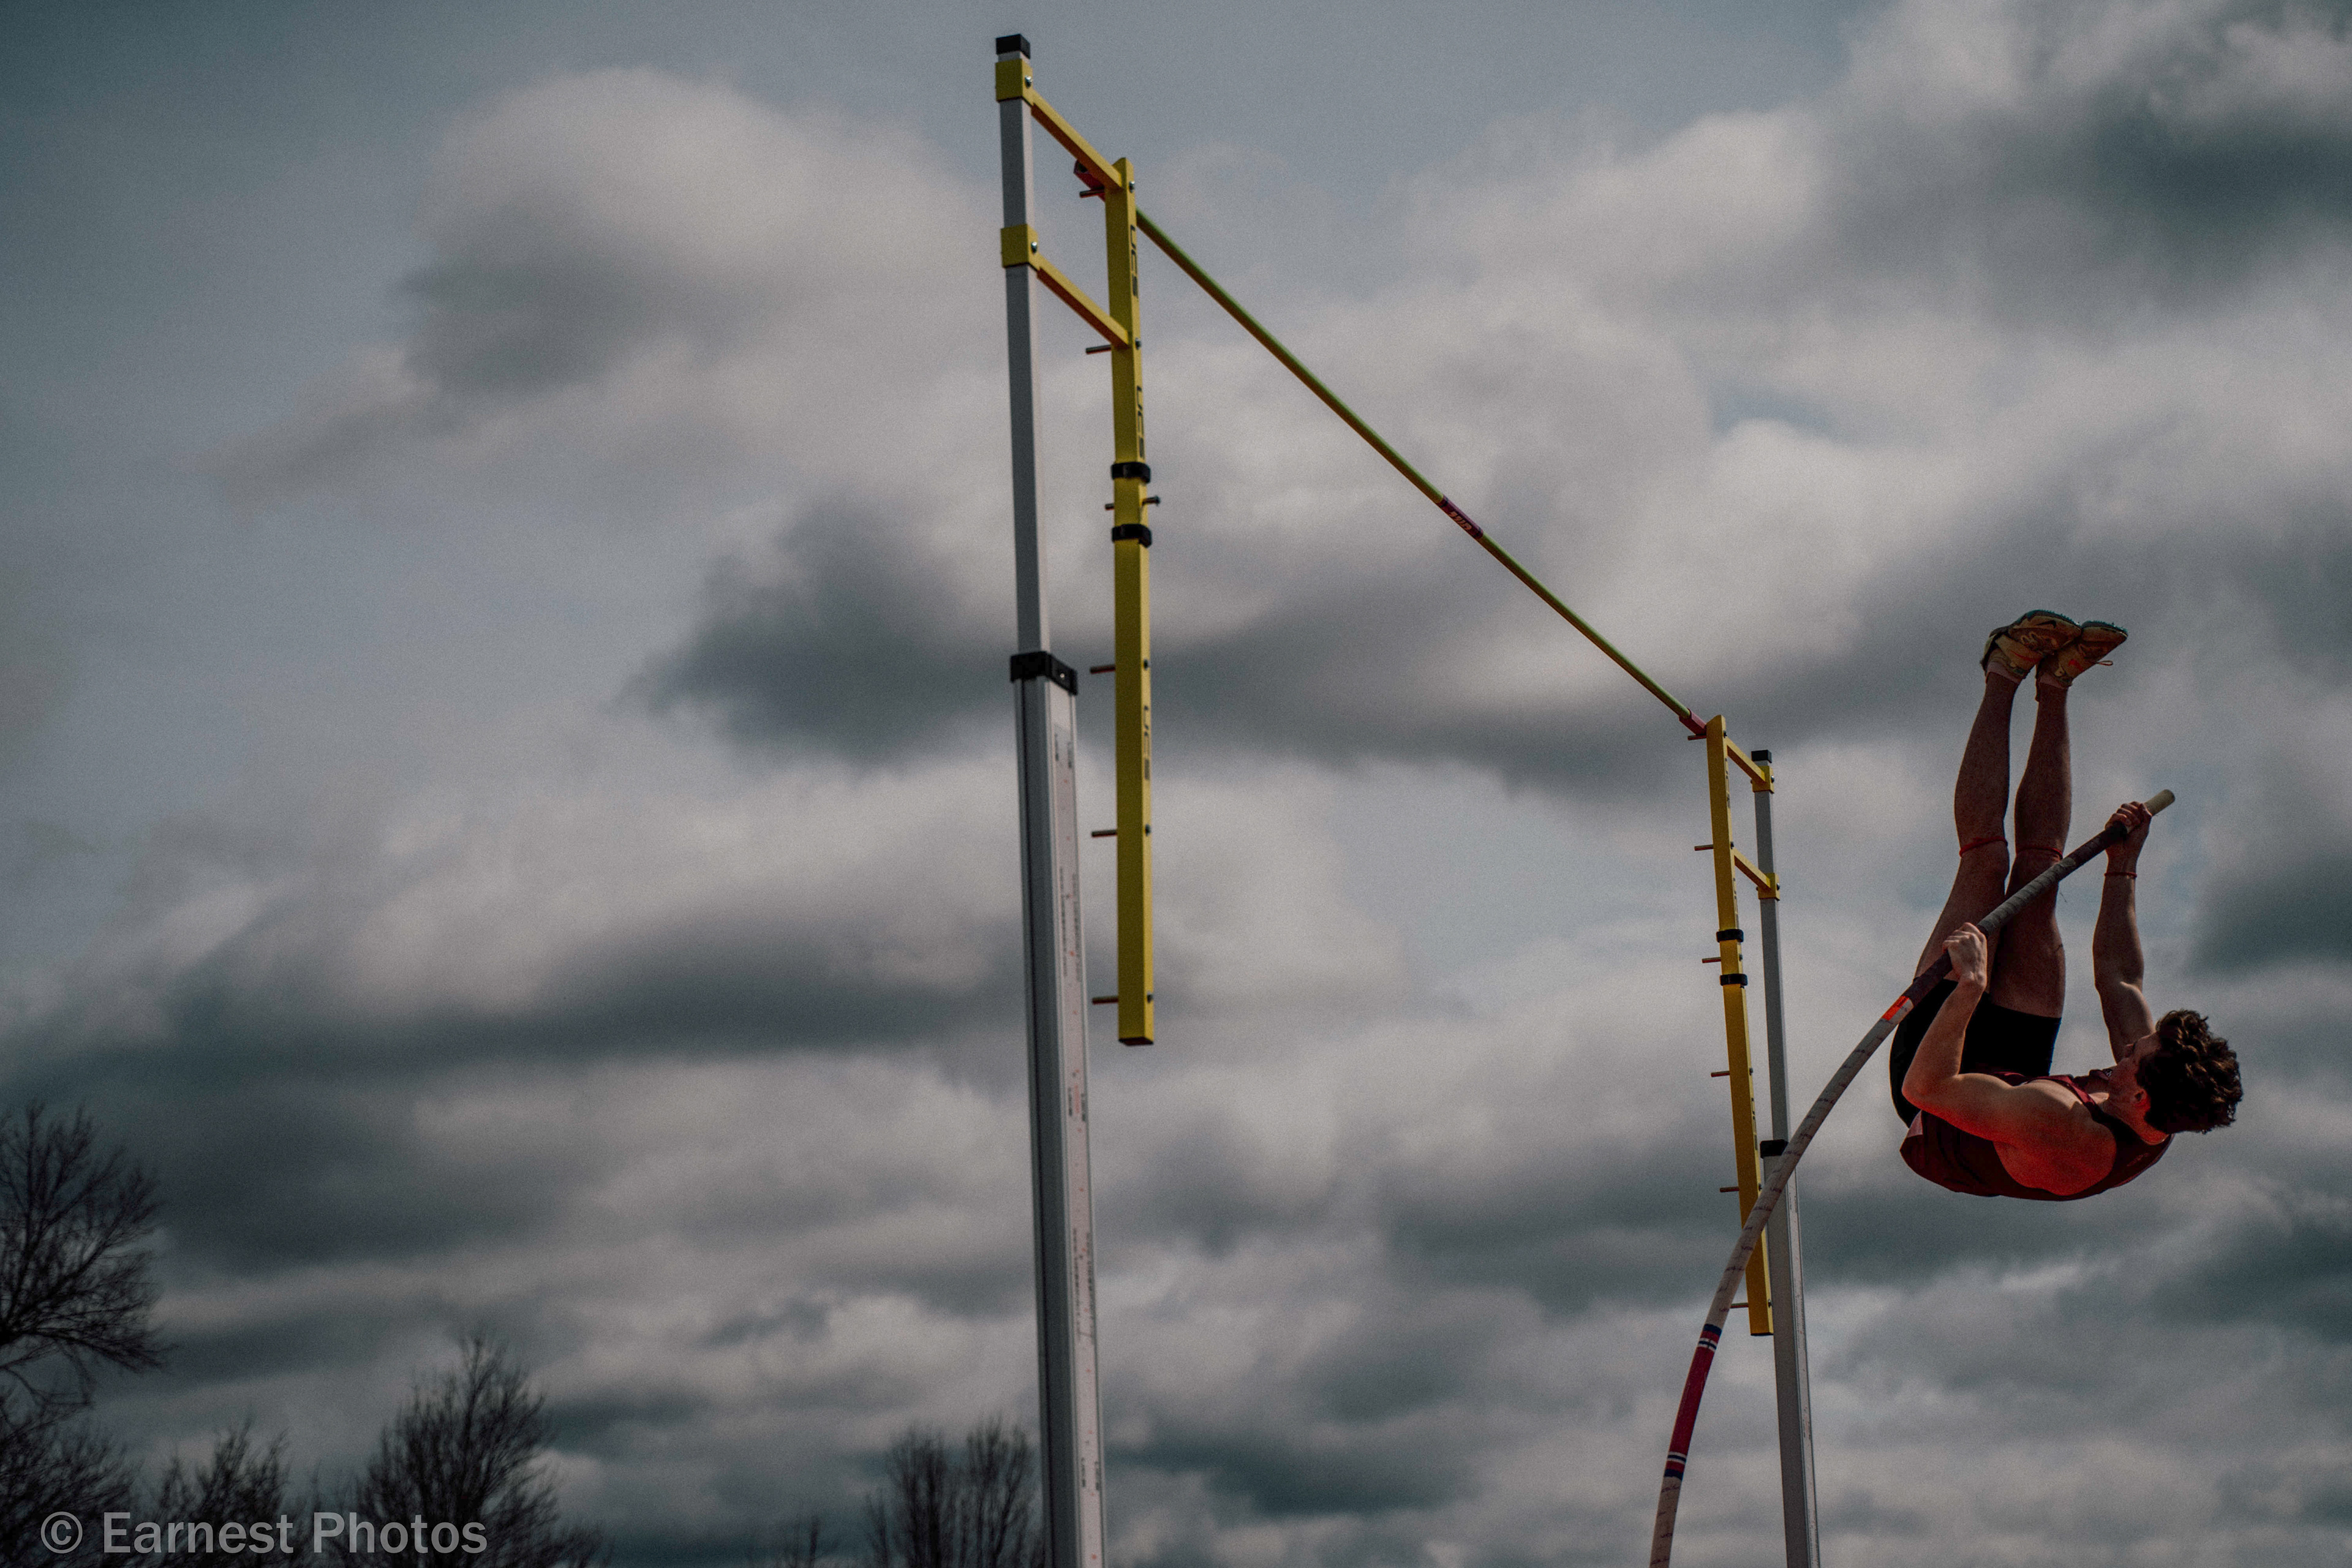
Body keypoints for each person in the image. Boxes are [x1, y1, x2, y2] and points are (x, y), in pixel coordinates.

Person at [1888, 611, 2242, 1200]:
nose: (2122, 1053)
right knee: (2040, 877)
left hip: (1936, 1085)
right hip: (2011, 1084)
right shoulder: (2160, 1098)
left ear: (2138, 1096)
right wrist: (2123, 865)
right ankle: (2056, 682)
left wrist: (1971, 988)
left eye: (2132, 1058)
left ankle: (2002, 669)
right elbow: (2120, 978)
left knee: (1987, 862)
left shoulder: (2066, 1129)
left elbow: (1926, 1089)